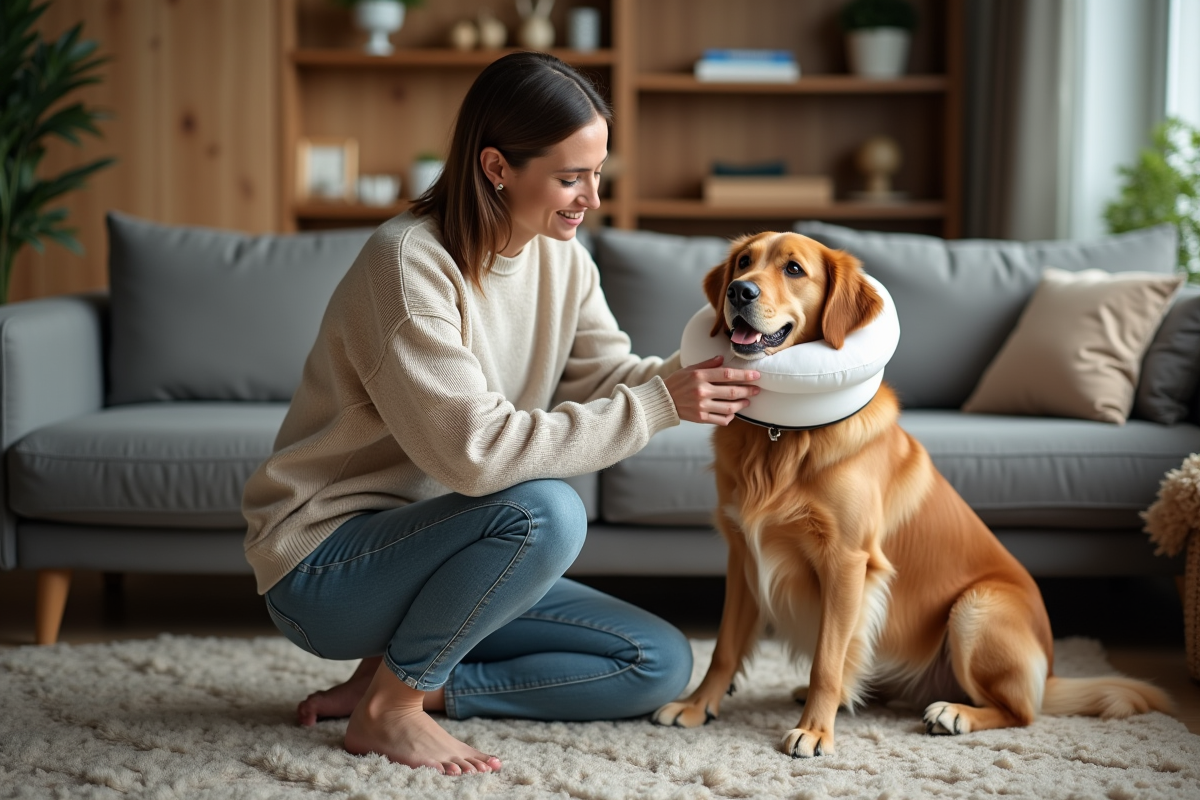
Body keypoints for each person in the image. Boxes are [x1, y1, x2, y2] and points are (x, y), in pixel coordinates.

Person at [241, 51, 761, 777]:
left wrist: (708, 366)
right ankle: (392, 709)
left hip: (444, 556)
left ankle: (408, 682)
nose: (592, 198)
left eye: (598, 173)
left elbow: (605, 375)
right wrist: (658, 405)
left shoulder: (563, 257)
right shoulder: (407, 265)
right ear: (496, 167)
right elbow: (475, 455)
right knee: (546, 512)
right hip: (326, 570)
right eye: (571, 177)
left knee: (656, 661)